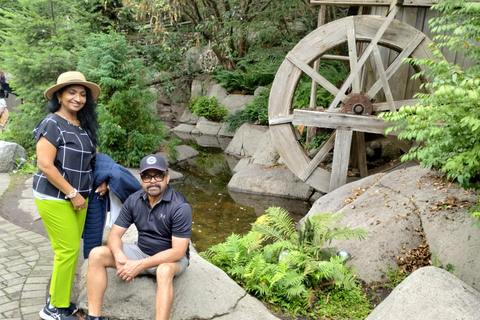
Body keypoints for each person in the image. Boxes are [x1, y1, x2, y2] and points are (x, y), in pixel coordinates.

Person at [33, 71, 106, 320]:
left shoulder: (82, 125)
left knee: (70, 250)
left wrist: (102, 181)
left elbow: (91, 160)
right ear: (60, 95)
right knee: (67, 250)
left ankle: (60, 301)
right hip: (55, 196)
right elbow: (45, 165)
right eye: (72, 92)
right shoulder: (51, 123)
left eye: (83, 94)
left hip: (81, 197)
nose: (78, 98)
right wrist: (73, 193)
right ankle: (52, 309)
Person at [85, 154, 192, 320]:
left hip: (169, 258)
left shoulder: (180, 206)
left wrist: (139, 265)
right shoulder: (134, 200)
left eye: (158, 175)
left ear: (167, 177)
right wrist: (120, 257)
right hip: (141, 251)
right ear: (141, 179)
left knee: (164, 271)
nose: (153, 181)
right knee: (96, 254)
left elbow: (178, 251)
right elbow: (114, 235)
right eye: (147, 176)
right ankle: (94, 316)